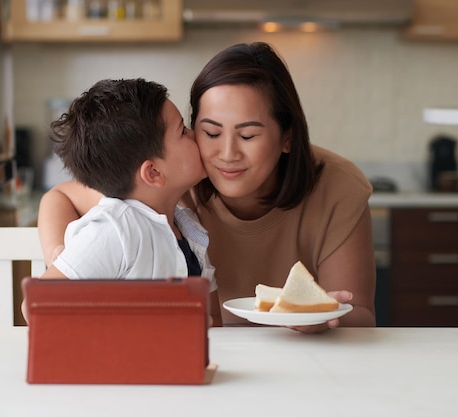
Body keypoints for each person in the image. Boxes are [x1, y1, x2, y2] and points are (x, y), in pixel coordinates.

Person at [38, 42, 376, 332]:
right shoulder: (163, 186)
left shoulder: (335, 186)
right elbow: (60, 196)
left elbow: (359, 313)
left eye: (248, 135)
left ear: (287, 136)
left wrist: (321, 320)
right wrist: (64, 258)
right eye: (209, 132)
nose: (226, 154)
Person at [33, 78, 222, 326]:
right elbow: (38, 305)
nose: (195, 134)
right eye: (183, 131)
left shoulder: (189, 230)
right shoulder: (115, 229)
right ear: (153, 173)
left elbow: (215, 324)